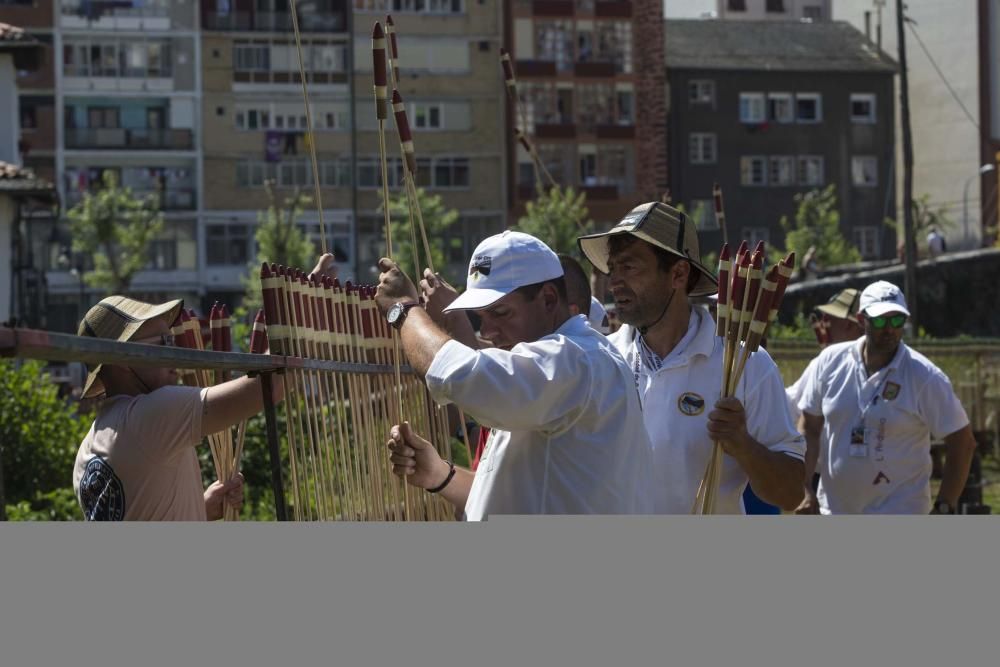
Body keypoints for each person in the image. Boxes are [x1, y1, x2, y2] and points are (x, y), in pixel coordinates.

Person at [373, 230, 654, 519]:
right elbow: (516, 492)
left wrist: (404, 310)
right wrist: (439, 475)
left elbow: (457, 376)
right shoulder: (556, 367)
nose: (490, 333)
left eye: (501, 313)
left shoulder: (576, 359)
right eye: (482, 318)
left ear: (548, 299)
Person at [577, 202, 806, 514]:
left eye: (629, 267)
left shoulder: (746, 365)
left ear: (678, 274)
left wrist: (743, 444)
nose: (614, 281)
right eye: (612, 268)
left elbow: (791, 494)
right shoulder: (601, 358)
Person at [72, 296, 282, 521]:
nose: (176, 357)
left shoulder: (86, 451)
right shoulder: (151, 415)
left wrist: (200, 508)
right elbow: (268, 387)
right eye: (164, 343)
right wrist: (299, 310)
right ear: (124, 357)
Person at [795, 280, 977, 514]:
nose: (889, 328)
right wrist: (805, 489)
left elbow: (963, 442)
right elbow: (809, 427)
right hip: (834, 511)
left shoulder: (925, 376)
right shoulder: (830, 361)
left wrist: (945, 505)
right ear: (861, 320)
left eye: (897, 320)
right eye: (880, 320)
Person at [786, 287, 864, 426]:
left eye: (831, 319)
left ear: (848, 324)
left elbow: (788, 407)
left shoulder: (827, 362)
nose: (825, 324)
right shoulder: (887, 362)